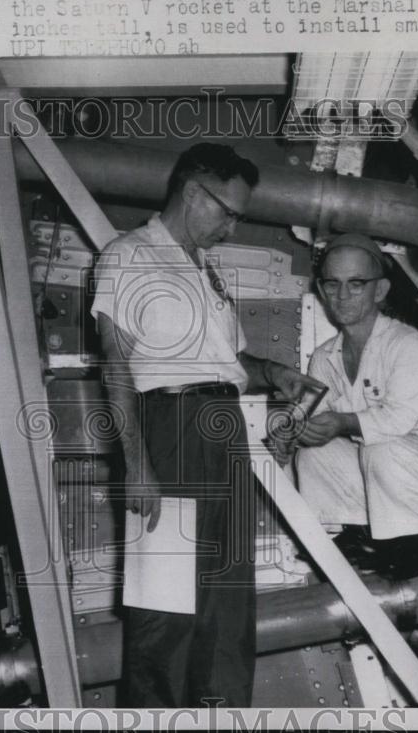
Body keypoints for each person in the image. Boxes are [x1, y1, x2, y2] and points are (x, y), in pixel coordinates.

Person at [90, 143, 322, 708]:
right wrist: (137, 466)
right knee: (165, 613)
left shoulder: (206, 269)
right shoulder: (129, 255)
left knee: (226, 607)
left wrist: (275, 372)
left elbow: (228, 364)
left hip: (225, 429)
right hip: (168, 430)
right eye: (228, 211)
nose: (232, 225)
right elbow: (115, 365)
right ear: (194, 192)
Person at [293, 233, 418, 580]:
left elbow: (396, 421)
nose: (342, 295)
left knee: (380, 446)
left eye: (356, 284)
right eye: (332, 284)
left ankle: (416, 544)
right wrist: (292, 434)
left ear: (380, 291)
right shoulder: (324, 356)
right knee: (311, 454)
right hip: (378, 477)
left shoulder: (405, 343)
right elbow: (311, 414)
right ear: (321, 291)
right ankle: (352, 532)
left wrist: (339, 422)